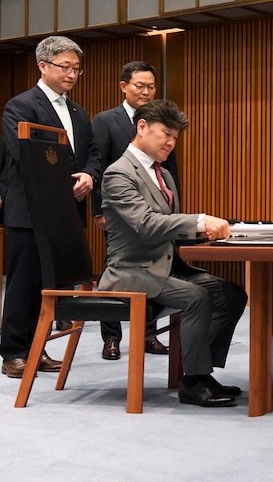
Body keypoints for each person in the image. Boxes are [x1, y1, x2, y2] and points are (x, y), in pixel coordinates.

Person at [98, 99, 246, 407]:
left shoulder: (163, 175)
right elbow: (146, 224)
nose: (170, 142)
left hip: (164, 266)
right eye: (166, 134)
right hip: (130, 272)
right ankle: (192, 381)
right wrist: (200, 220)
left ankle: (200, 373)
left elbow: (169, 227)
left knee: (231, 293)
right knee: (196, 297)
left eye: (175, 138)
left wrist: (200, 231)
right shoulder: (118, 174)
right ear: (142, 127)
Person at [1, 36, 101, 379]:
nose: (72, 74)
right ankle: (14, 352)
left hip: (63, 212)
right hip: (28, 211)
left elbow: (92, 153)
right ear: (43, 66)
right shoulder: (21, 105)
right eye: (65, 66)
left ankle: (37, 347)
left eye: (76, 68)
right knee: (23, 283)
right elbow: (24, 153)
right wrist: (65, 180)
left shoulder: (78, 111)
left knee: (49, 283)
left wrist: (88, 175)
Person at [92, 61, 175, 360]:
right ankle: (111, 338)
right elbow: (97, 166)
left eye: (151, 86)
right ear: (124, 86)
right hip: (117, 211)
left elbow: (168, 168)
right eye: (140, 85)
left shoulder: (161, 120)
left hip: (155, 210)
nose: (146, 91)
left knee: (154, 266)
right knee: (115, 267)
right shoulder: (105, 120)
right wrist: (98, 210)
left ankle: (148, 335)